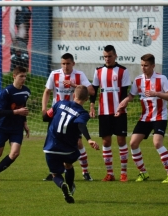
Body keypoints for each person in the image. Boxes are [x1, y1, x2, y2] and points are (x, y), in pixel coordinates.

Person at [116, 53, 168, 183]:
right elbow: (132, 95)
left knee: (157, 143)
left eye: (146, 65)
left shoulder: (161, 78)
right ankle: (143, 173)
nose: (143, 68)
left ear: (153, 66)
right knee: (133, 143)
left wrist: (157, 93)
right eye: (142, 65)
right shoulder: (138, 80)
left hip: (160, 116)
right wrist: (125, 101)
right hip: (145, 117)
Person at [42, 53, 95, 181]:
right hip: (57, 115)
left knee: (78, 142)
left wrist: (74, 86)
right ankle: (55, 171)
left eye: (68, 64)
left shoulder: (79, 75)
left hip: (73, 116)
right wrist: (44, 109)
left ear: (73, 64)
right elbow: (47, 91)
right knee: (54, 142)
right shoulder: (54, 74)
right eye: (63, 64)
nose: (65, 66)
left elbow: (91, 91)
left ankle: (85, 171)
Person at [43, 85, 99, 203]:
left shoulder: (60, 103)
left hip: (50, 147)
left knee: (55, 174)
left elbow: (45, 117)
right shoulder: (83, 113)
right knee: (68, 164)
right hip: (68, 149)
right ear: (87, 99)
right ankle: (70, 186)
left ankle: (62, 184)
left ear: (74, 95)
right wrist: (89, 139)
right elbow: (81, 125)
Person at [89, 45, 131, 182]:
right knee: (106, 142)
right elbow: (94, 90)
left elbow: (124, 93)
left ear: (115, 56)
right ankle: (110, 174)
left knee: (121, 140)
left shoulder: (123, 71)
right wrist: (92, 106)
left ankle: (123, 173)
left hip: (119, 111)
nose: (107, 59)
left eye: (109, 56)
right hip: (104, 111)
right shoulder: (98, 71)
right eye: (105, 56)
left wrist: (120, 108)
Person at [9, 0, 31, 71]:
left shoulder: (23, 3)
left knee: (21, 71)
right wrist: (16, 45)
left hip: (23, 43)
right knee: (18, 71)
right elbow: (11, 28)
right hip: (19, 43)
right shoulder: (14, 3)